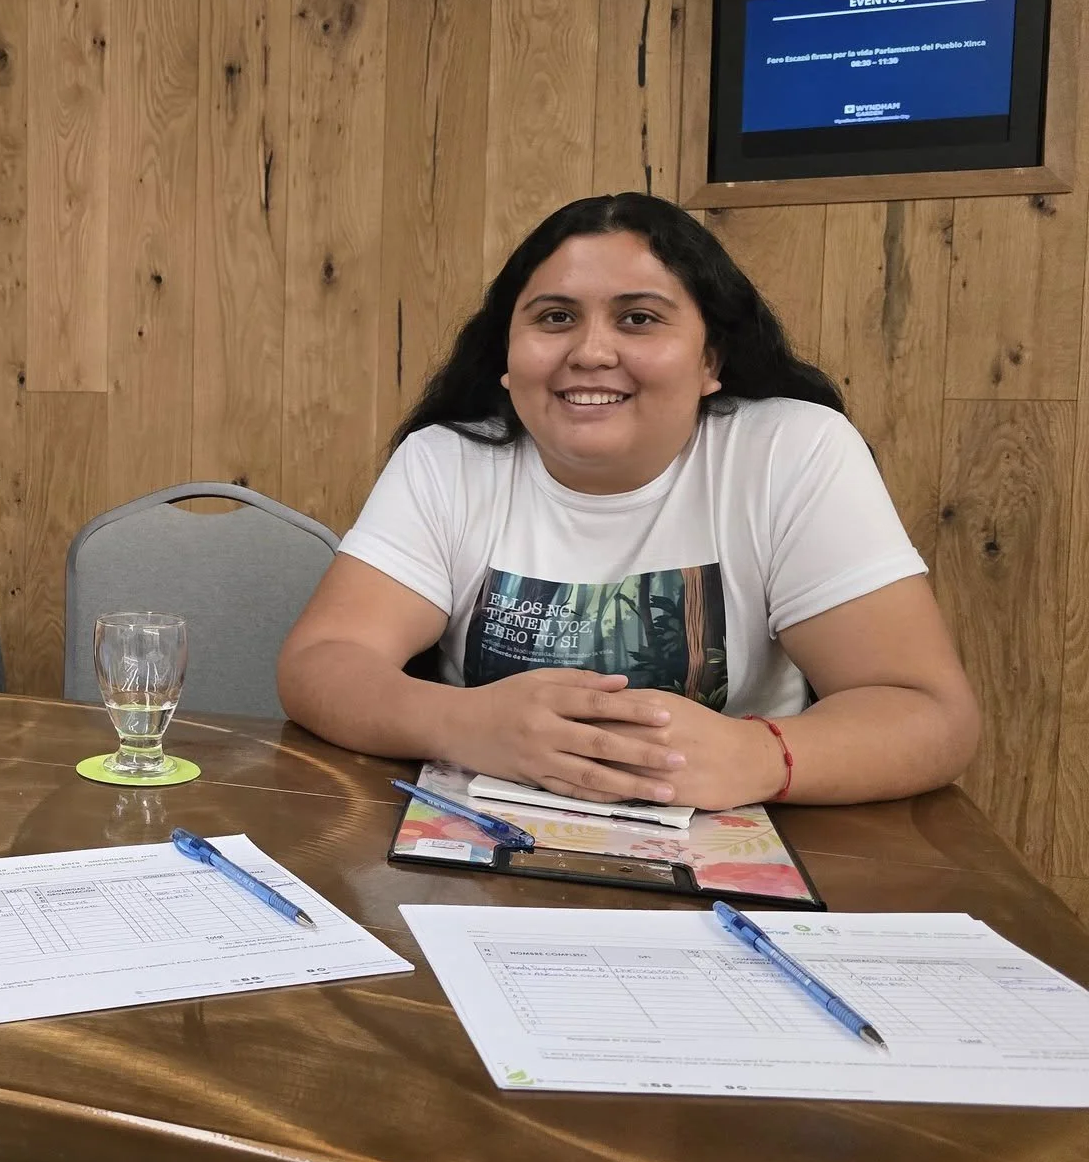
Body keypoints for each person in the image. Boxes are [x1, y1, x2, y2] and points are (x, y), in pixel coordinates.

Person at [277, 192, 979, 810]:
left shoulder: (792, 451)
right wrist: (461, 723)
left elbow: (929, 716)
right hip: (479, 847)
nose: (589, 351)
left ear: (711, 361)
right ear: (507, 354)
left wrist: (760, 757)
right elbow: (324, 662)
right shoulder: (447, 459)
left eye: (638, 319)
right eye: (554, 318)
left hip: (727, 860)